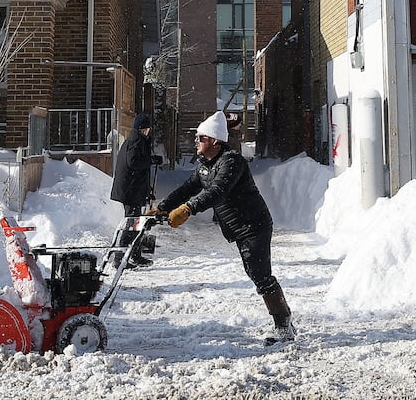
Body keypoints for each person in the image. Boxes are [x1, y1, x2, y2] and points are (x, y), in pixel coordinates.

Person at [147, 110, 296, 343]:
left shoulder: (232, 162)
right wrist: (163, 207)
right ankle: (284, 320)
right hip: (238, 227)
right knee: (255, 273)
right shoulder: (205, 165)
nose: (196, 141)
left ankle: (284, 326)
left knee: (260, 275)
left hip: (253, 225)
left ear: (215, 141)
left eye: (201, 138)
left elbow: (217, 191)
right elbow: (188, 188)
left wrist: (188, 209)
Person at [109, 113, 156, 268]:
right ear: (141, 129)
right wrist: (151, 160)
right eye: (146, 129)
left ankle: (135, 255)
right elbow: (133, 162)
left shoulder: (136, 139)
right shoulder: (136, 140)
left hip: (132, 189)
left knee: (136, 223)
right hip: (130, 191)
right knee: (132, 223)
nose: (148, 132)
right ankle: (119, 258)